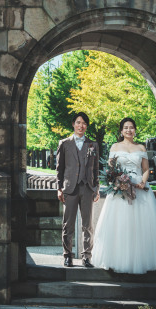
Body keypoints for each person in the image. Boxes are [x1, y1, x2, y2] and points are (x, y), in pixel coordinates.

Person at [91, 117, 156, 273]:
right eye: (126, 127)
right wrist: (118, 181)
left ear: (135, 130)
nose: (129, 130)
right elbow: (110, 170)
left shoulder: (141, 148)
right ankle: (117, 259)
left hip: (139, 189)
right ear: (121, 131)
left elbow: (146, 169)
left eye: (132, 127)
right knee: (120, 224)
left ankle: (141, 260)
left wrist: (143, 181)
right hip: (120, 189)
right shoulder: (115, 146)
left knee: (141, 225)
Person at [56, 111, 100, 267]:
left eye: (84, 123)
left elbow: (95, 169)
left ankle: (86, 256)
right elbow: (59, 169)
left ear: (86, 126)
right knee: (68, 224)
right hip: (70, 188)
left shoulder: (92, 144)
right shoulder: (64, 143)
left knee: (87, 224)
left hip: (87, 188)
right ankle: (67, 255)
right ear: (73, 124)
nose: (81, 126)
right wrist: (59, 188)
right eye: (78, 122)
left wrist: (96, 188)